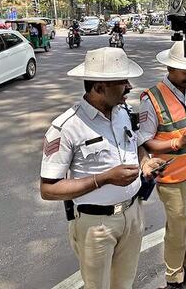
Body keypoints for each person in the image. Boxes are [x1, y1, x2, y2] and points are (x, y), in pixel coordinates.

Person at [39, 47, 166, 289]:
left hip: (133, 213)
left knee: (125, 283)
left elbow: (136, 144)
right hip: (95, 225)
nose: (129, 87)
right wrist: (104, 179)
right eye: (122, 82)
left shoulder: (124, 112)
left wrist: (146, 163)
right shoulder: (66, 127)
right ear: (99, 88)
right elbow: (48, 189)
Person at [138, 41, 186, 289]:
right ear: (170, 68)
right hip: (172, 176)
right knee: (177, 227)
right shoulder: (152, 98)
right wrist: (176, 142)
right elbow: (147, 143)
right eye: (185, 71)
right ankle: (174, 276)